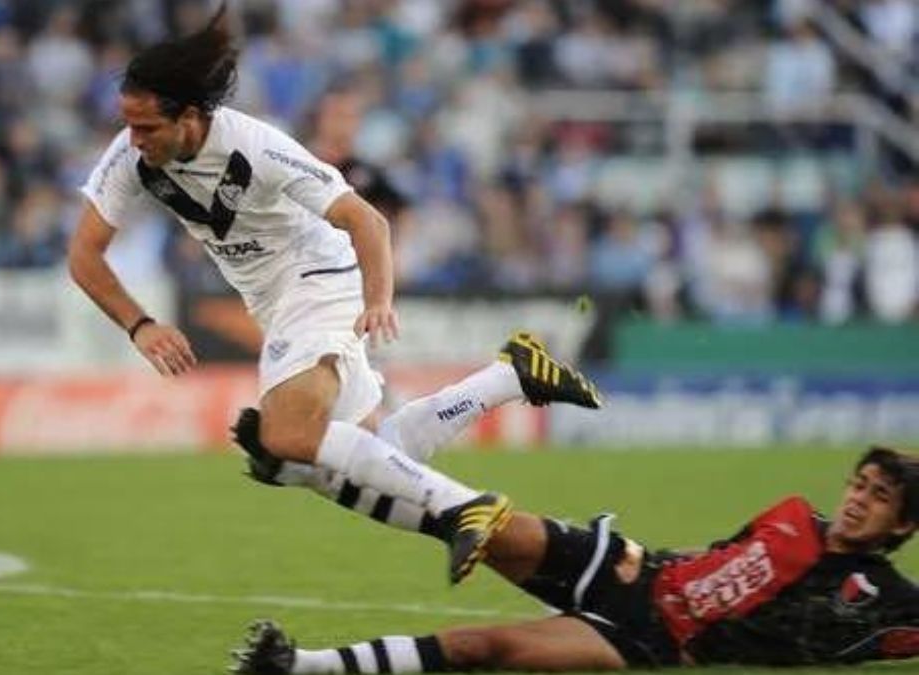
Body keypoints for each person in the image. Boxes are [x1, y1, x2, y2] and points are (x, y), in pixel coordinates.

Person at [68, 3, 601, 585]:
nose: (133, 138)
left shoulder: (256, 146)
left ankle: (460, 508)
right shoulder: (131, 156)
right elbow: (84, 255)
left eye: (147, 127)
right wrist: (141, 325)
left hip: (316, 278)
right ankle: (510, 376)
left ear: (190, 117)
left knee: (286, 437)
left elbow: (367, 220)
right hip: (274, 303)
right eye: (129, 124)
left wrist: (378, 298)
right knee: (375, 452)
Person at [232, 446, 919, 673]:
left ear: (904, 523)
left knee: (484, 645)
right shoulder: (794, 514)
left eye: (879, 496)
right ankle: (302, 468)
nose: (858, 499)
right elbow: (714, 559)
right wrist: (640, 557)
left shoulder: (884, 597)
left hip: (648, 638)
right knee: (478, 521)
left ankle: (299, 665)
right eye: (859, 483)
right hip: (629, 568)